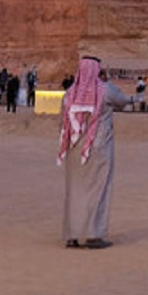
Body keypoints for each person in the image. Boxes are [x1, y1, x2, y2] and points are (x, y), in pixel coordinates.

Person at [58, 56, 134, 250]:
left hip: (74, 148)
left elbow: (63, 121)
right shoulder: (105, 90)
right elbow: (123, 101)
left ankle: (72, 235)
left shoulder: (69, 93)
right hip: (98, 147)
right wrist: (106, 80)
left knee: (74, 190)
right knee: (98, 190)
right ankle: (93, 235)